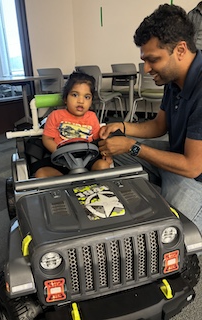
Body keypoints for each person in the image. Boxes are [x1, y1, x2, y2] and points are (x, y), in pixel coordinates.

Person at [98, 4, 202, 232]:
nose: (146, 69)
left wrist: (132, 147)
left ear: (181, 50)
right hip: (178, 158)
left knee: (174, 234)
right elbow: (159, 125)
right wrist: (122, 127)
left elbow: (193, 166)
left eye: (152, 59)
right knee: (108, 149)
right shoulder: (173, 78)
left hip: (194, 176)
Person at [34, 71, 112, 178]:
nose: (80, 101)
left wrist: (106, 154)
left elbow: (98, 141)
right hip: (61, 161)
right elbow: (47, 138)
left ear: (91, 101)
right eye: (75, 95)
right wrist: (61, 153)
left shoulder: (92, 116)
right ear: (65, 98)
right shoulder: (55, 115)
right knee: (41, 174)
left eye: (87, 97)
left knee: (103, 165)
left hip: (87, 159)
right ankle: (64, 186)